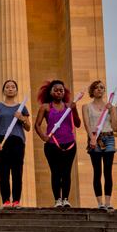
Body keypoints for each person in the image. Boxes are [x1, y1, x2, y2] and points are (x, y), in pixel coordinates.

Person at [35, 79, 81, 208]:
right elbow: (37, 125)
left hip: (69, 144)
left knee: (66, 172)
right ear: (50, 92)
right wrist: (43, 136)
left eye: (61, 90)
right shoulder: (45, 107)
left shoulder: (69, 106)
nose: (58, 92)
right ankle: (57, 199)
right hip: (52, 145)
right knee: (55, 172)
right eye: (55, 90)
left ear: (64, 92)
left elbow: (78, 124)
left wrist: (75, 109)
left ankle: (66, 199)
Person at [0, 79, 30, 208]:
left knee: (17, 171)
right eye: (7, 87)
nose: (10, 89)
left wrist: (22, 118)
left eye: (13, 87)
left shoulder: (21, 107)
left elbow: (28, 127)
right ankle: (6, 200)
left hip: (17, 141)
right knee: (4, 171)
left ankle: (16, 200)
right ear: (4, 90)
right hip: (2, 140)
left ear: (16, 90)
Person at [82, 80, 117, 210]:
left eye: (102, 88)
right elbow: (86, 124)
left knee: (108, 171)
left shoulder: (111, 107)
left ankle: (108, 202)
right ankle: (100, 202)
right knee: (97, 171)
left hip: (109, 137)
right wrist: (91, 138)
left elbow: (115, 127)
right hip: (94, 137)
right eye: (96, 88)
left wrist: (112, 112)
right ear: (92, 91)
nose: (99, 90)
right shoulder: (87, 106)